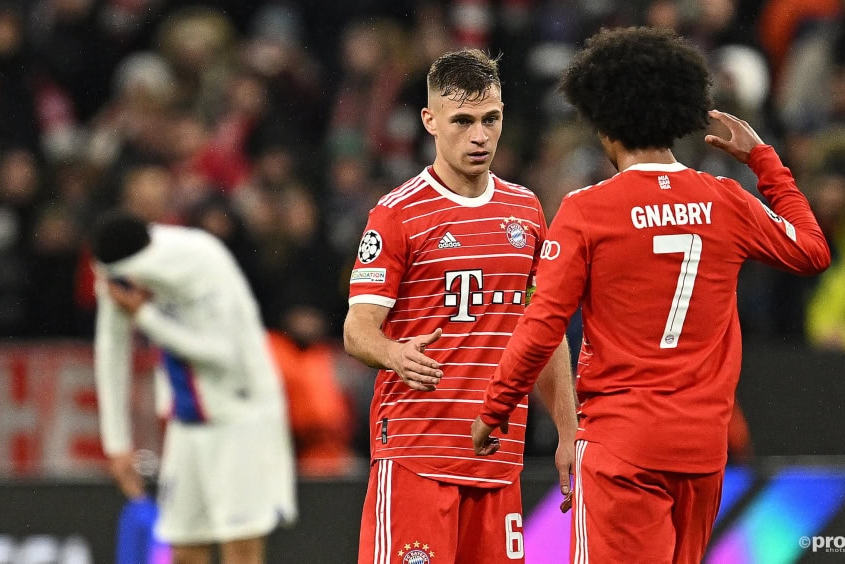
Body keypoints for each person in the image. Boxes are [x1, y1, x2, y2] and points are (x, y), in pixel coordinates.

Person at [472, 27, 831, 564]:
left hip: (622, 449)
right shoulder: (725, 200)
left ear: (604, 123)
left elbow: (542, 324)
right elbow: (811, 250)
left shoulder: (586, 211)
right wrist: (764, 161)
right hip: (702, 452)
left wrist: (494, 408)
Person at [343, 48, 577, 564]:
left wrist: (568, 432)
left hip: (498, 465)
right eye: (463, 121)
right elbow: (357, 329)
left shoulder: (526, 210)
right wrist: (393, 354)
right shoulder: (396, 214)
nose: (480, 136)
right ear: (430, 121)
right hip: (415, 459)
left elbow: (546, 331)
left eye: (491, 119)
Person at [90, 209, 297, 564]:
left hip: (240, 415)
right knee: (184, 550)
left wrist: (145, 317)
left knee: (241, 550)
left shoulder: (201, 260)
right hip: (187, 423)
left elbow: (224, 355)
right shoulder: (118, 271)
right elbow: (111, 347)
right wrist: (117, 444)